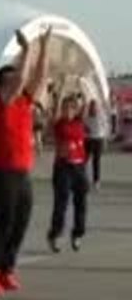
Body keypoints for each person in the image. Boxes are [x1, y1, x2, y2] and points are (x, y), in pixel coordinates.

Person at [0, 27, 51, 295]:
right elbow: (22, 79)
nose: (17, 82)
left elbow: (39, 78)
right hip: (0, 172)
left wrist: (43, 46)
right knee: (3, 221)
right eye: (10, 79)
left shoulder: (24, 103)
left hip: (21, 171)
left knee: (21, 220)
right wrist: (27, 50)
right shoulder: (1, 104)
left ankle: (6, 269)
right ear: (1, 86)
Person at [48, 85, 89, 253]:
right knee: (61, 203)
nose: (67, 111)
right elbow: (57, 109)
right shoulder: (59, 124)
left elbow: (84, 106)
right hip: (63, 167)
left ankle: (77, 233)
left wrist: (82, 87)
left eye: (70, 108)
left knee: (81, 203)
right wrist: (63, 88)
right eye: (65, 108)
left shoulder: (79, 122)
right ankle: (55, 235)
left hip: (79, 166)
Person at [83, 98, 109, 190]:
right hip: (88, 139)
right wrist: (86, 130)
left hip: (98, 139)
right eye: (92, 106)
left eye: (95, 106)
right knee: (85, 160)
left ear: (97, 107)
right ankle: (84, 179)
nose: (93, 108)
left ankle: (96, 180)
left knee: (96, 161)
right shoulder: (86, 117)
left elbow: (106, 128)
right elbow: (84, 127)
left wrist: (105, 140)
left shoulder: (101, 116)